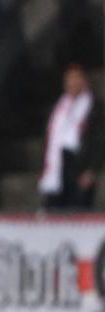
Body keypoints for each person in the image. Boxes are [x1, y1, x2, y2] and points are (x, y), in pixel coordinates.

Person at [39, 64, 105, 210]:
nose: (73, 83)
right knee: (54, 209)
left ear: (84, 81)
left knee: (78, 210)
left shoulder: (94, 106)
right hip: (59, 165)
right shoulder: (59, 107)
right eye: (70, 79)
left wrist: (92, 170)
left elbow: (99, 141)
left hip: (80, 165)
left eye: (77, 78)